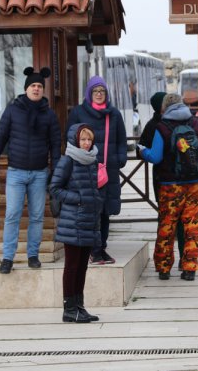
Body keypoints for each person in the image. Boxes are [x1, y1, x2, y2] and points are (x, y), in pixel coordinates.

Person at [0, 67, 61, 273]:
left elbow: (56, 145)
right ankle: (7, 258)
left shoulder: (49, 115)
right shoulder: (13, 110)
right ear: (26, 88)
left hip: (39, 173)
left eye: (39, 86)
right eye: (33, 85)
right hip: (16, 172)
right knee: (12, 215)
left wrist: (55, 171)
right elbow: (1, 137)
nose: (36, 89)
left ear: (42, 90)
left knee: (37, 216)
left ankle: (33, 255)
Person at [138, 93, 198, 281]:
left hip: (170, 186)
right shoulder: (197, 124)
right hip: (195, 184)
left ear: (164, 108)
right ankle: (189, 268)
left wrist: (143, 151)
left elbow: (156, 157)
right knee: (193, 227)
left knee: (167, 226)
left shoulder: (161, 127)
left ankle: (164, 268)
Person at [67, 76, 127, 265]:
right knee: (89, 210)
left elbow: (121, 139)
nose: (99, 94)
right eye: (95, 91)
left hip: (107, 170)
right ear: (89, 93)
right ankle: (92, 249)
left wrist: (121, 158)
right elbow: (70, 139)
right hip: (85, 170)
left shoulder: (114, 114)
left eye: (102, 91)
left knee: (105, 211)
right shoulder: (78, 112)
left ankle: (101, 248)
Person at [50, 123, 102, 323]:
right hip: (73, 221)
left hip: (89, 220)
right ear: (75, 140)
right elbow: (54, 188)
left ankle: (80, 307)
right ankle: (69, 309)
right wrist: (78, 199)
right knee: (71, 266)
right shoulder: (68, 161)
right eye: (83, 139)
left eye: (89, 139)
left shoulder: (92, 161)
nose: (87, 143)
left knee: (82, 267)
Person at [138, 92, 185, 270]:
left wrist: (143, 151)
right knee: (183, 222)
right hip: (186, 179)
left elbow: (147, 152)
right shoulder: (187, 121)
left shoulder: (154, 125)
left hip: (163, 179)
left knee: (165, 221)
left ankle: (164, 264)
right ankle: (185, 260)